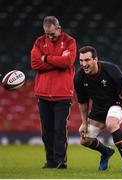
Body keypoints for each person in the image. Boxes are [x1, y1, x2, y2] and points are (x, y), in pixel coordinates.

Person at [74, 46, 122, 173]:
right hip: (99, 107)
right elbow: (83, 102)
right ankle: (106, 152)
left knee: (111, 124)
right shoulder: (79, 77)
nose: (84, 64)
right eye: (81, 61)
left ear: (96, 59)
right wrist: (84, 123)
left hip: (117, 103)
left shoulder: (111, 69)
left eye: (87, 60)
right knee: (84, 140)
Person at [31, 16, 77, 169]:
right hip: (43, 93)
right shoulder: (39, 41)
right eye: (47, 33)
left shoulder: (70, 41)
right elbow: (35, 64)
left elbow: (68, 62)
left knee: (59, 129)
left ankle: (60, 161)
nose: (49, 36)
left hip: (63, 93)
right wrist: (57, 61)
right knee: (46, 131)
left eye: (52, 33)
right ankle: (50, 160)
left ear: (59, 28)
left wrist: (46, 58)